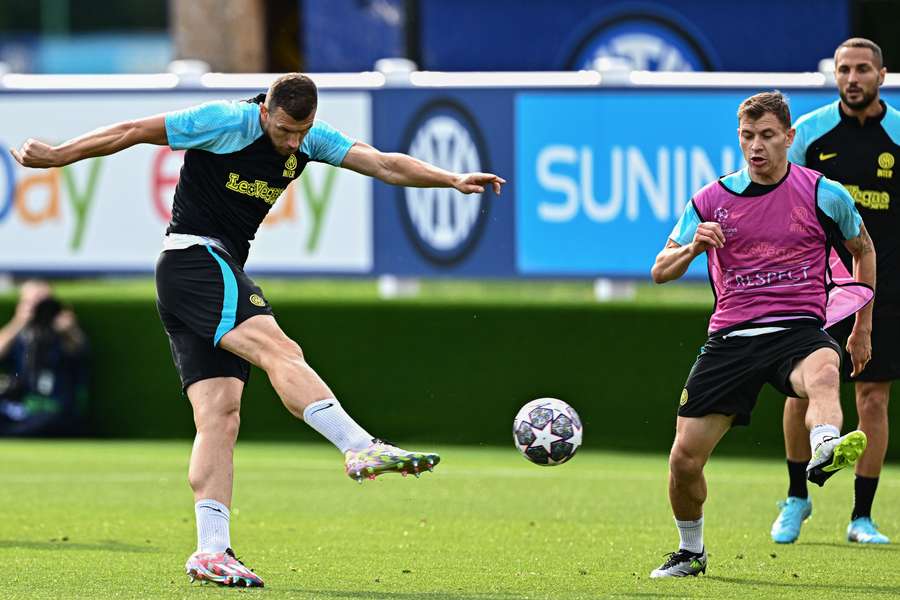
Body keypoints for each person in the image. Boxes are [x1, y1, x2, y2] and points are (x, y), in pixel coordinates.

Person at [10, 73, 506, 588]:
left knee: (220, 417)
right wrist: (59, 155)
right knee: (281, 350)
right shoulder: (227, 121)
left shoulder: (311, 138)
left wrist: (449, 178)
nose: (295, 143)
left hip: (195, 276)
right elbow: (133, 130)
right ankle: (358, 444)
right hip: (195, 261)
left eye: (303, 131)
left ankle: (211, 550)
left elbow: (382, 163)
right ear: (267, 111)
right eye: (288, 130)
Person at [647, 91, 875, 578]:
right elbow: (659, 270)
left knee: (824, 369)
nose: (757, 146)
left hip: (797, 328)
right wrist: (692, 246)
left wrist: (862, 324)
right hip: (731, 338)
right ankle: (691, 552)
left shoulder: (822, 192)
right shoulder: (710, 200)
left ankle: (826, 445)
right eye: (748, 137)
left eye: (768, 136)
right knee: (684, 460)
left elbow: (864, 248)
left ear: (789, 139)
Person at [771, 38, 899, 546]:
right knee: (801, 390)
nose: (852, 77)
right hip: (818, 288)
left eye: (862, 69)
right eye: (844, 69)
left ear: (882, 76)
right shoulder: (813, 134)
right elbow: (781, 201)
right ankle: (796, 497)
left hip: (885, 287)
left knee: (873, 398)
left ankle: (861, 517)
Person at [0, 280, 88, 436]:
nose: (38, 308)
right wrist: (18, 322)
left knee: (50, 420)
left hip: (54, 408)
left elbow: (79, 351)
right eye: (31, 302)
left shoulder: (63, 333)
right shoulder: (20, 335)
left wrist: (69, 330)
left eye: (42, 302)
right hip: (20, 406)